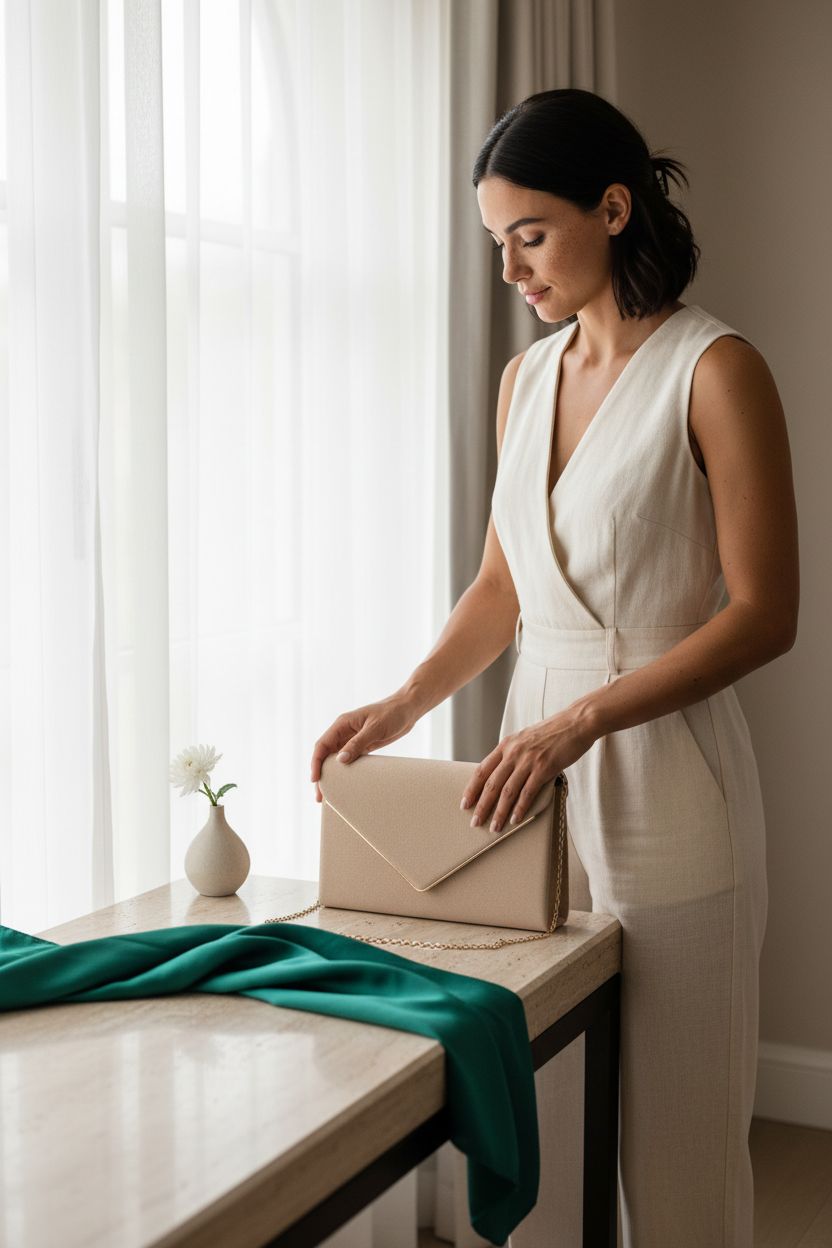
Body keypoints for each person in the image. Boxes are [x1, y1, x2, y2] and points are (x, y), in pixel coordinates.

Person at [309, 87, 799, 1248]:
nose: (511, 271)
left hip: (665, 780)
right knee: (546, 1115)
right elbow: (500, 590)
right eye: (496, 244)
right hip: (526, 781)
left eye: (529, 236)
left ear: (613, 207)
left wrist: (583, 721)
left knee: (676, 1149)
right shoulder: (524, 381)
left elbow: (767, 614)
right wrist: (398, 706)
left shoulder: (716, 369)